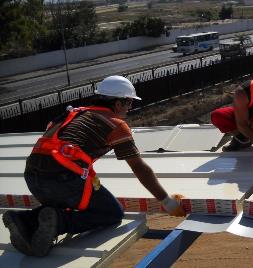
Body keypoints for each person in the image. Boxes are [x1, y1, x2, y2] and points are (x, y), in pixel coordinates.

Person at [2, 75, 185, 257]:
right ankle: (59, 223)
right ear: (118, 103)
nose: (129, 109)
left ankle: (24, 219)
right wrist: (166, 201)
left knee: (67, 202)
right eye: (129, 103)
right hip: (63, 179)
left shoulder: (73, 113)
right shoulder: (116, 124)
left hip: (32, 177)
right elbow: (139, 168)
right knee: (111, 213)